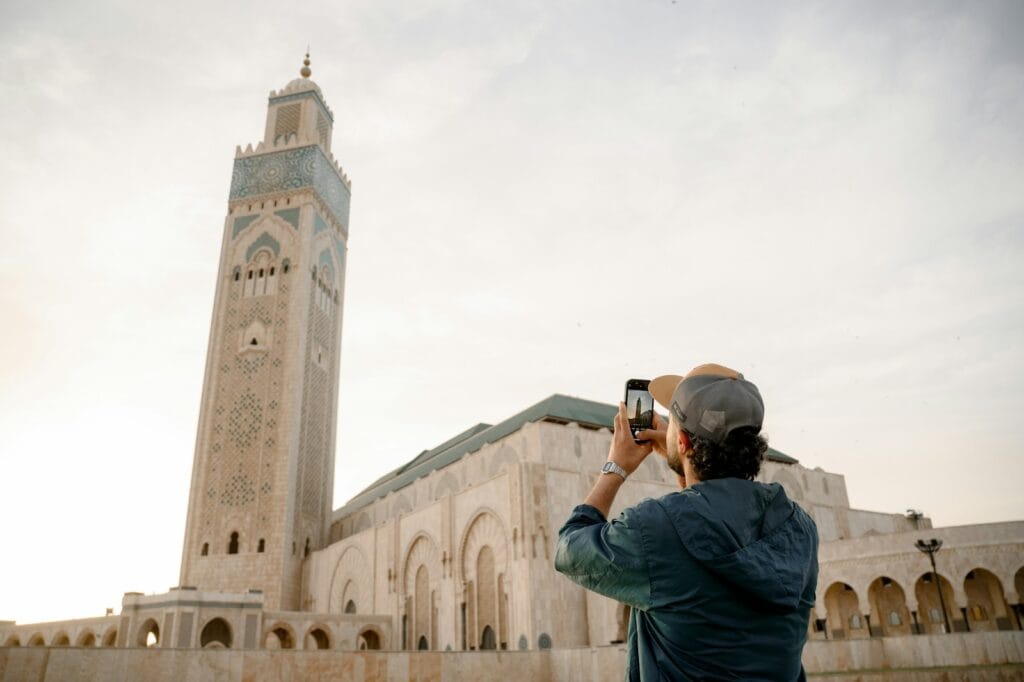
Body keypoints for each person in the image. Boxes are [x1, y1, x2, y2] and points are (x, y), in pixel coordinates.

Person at [555, 364, 819, 681]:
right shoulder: (799, 527)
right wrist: (684, 467)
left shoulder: (654, 529)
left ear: (682, 441)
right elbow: (709, 525)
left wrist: (616, 466)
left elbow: (570, 548)